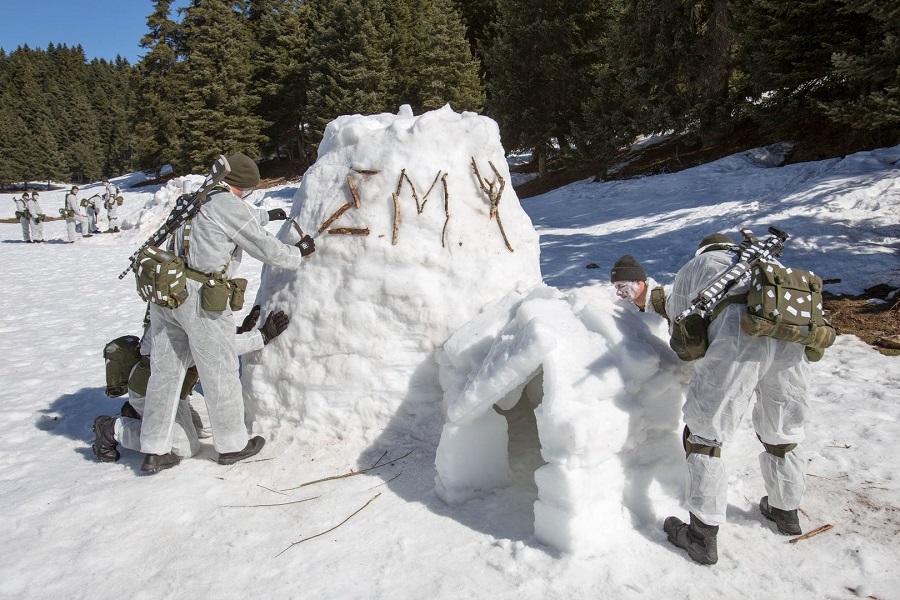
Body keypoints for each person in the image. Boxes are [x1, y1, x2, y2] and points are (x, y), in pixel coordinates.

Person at [137, 152, 315, 474]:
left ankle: (154, 449)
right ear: (245, 187)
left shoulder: (195, 197)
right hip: (201, 297)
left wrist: (264, 215)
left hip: (168, 293)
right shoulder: (229, 206)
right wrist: (297, 253)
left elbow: (220, 219)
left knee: (165, 374)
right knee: (219, 370)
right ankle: (233, 445)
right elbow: (265, 248)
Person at [662, 232, 812, 565]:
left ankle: (700, 537)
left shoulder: (697, 265)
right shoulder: (766, 262)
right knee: (783, 429)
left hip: (739, 338)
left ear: (703, 249)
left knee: (705, 434)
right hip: (789, 339)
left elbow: (679, 320)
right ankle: (785, 510)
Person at [92, 306, 290, 466]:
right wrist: (261, 336)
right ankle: (111, 428)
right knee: (185, 447)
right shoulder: (179, 309)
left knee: (210, 427)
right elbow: (212, 347)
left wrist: (239, 331)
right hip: (153, 391)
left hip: (181, 390)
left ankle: (141, 414)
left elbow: (207, 338)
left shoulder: (181, 302)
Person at [610, 254, 667, 320]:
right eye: (616, 288)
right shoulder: (624, 308)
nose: (618, 293)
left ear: (638, 281)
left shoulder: (668, 300)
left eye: (621, 286)